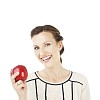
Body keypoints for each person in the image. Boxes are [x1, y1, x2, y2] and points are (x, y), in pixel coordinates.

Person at [10, 25, 90, 100]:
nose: (41, 53)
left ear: (59, 45)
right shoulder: (27, 83)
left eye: (47, 44)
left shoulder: (80, 82)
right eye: (36, 47)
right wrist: (22, 96)